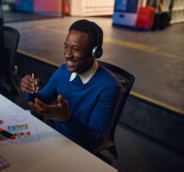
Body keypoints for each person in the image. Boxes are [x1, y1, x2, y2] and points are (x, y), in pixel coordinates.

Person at [20, 19, 121, 151]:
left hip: (81, 147)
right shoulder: (62, 71)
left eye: (75, 49)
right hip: (56, 137)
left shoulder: (110, 86)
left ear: (95, 52)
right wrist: (30, 90)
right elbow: (38, 102)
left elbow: (95, 139)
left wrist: (67, 119)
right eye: (66, 46)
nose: (67, 54)